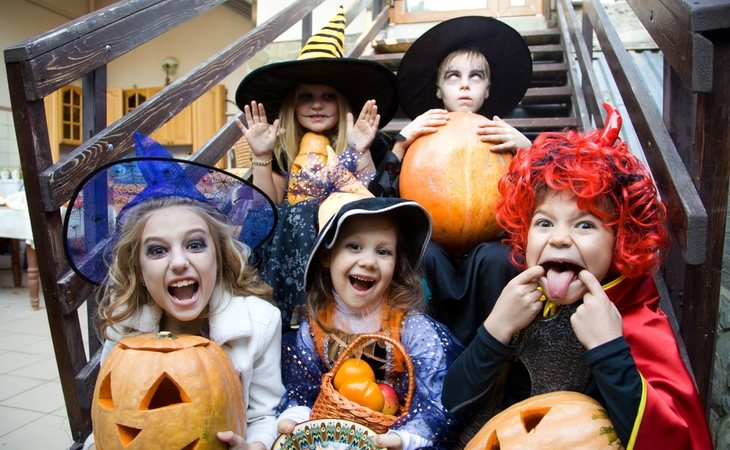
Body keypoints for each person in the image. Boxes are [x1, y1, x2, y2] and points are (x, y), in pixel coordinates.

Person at [442, 104, 713, 449]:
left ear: (621, 239)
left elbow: (677, 440)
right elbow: (452, 406)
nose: (558, 238)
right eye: (544, 222)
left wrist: (610, 350)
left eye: (584, 224)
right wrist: (494, 331)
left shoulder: (637, 323)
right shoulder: (523, 301)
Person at [65, 133, 284, 450]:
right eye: (157, 251)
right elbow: (110, 418)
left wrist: (257, 446)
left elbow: (265, 416)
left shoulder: (262, 323)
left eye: (195, 244)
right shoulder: (123, 328)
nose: (179, 262)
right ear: (139, 271)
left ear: (219, 258)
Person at [372, 16, 534, 346]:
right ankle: (427, 349)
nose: (464, 85)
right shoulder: (418, 134)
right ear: (438, 88)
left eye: (476, 77)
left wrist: (529, 152)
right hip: (435, 242)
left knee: (496, 257)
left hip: (489, 243)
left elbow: (544, 201)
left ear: (487, 89)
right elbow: (381, 199)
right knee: (422, 254)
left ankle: (494, 351)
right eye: (453, 76)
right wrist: (401, 143)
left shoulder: (506, 136)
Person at [234, 6, 399, 329]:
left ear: (341, 104)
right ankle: (297, 317)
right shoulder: (282, 151)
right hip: (291, 244)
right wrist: (262, 155)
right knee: (296, 212)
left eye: (327, 96)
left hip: (348, 240)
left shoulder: (371, 144)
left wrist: (358, 150)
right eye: (306, 97)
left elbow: (368, 199)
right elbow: (266, 209)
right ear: (293, 105)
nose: (317, 104)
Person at [275, 193, 463, 449]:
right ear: (326, 256)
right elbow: (303, 387)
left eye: (383, 251)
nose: (368, 261)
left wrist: (403, 438)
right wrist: (295, 418)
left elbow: (436, 396)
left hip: (393, 436)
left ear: (396, 265)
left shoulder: (410, 327)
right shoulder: (315, 327)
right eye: (354, 246)